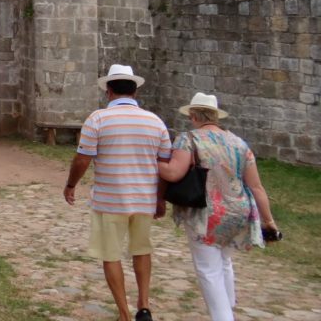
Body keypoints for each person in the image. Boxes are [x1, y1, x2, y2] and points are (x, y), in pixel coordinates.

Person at [63, 63, 172, 321]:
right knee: (141, 250)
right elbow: (164, 164)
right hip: (144, 199)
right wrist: (160, 199)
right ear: (134, 92)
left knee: (110, 254)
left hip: (110, 199)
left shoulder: (98, 119)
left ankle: (124, 313)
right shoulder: (155, 121)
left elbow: (82, 159)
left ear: (109, 91)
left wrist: (71, 185)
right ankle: (143, 306)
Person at [157, 93, 280, 321]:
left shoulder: (188, 139)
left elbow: (174, 173)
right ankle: (228, 307)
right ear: (215, 116)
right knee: (224, 261)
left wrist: (152, 160)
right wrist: (269, 221)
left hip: (207, 212)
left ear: (193, 116)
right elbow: (257, 187)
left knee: (208, 270)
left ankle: (223, 316)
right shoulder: (239, 143)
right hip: (237, 209)